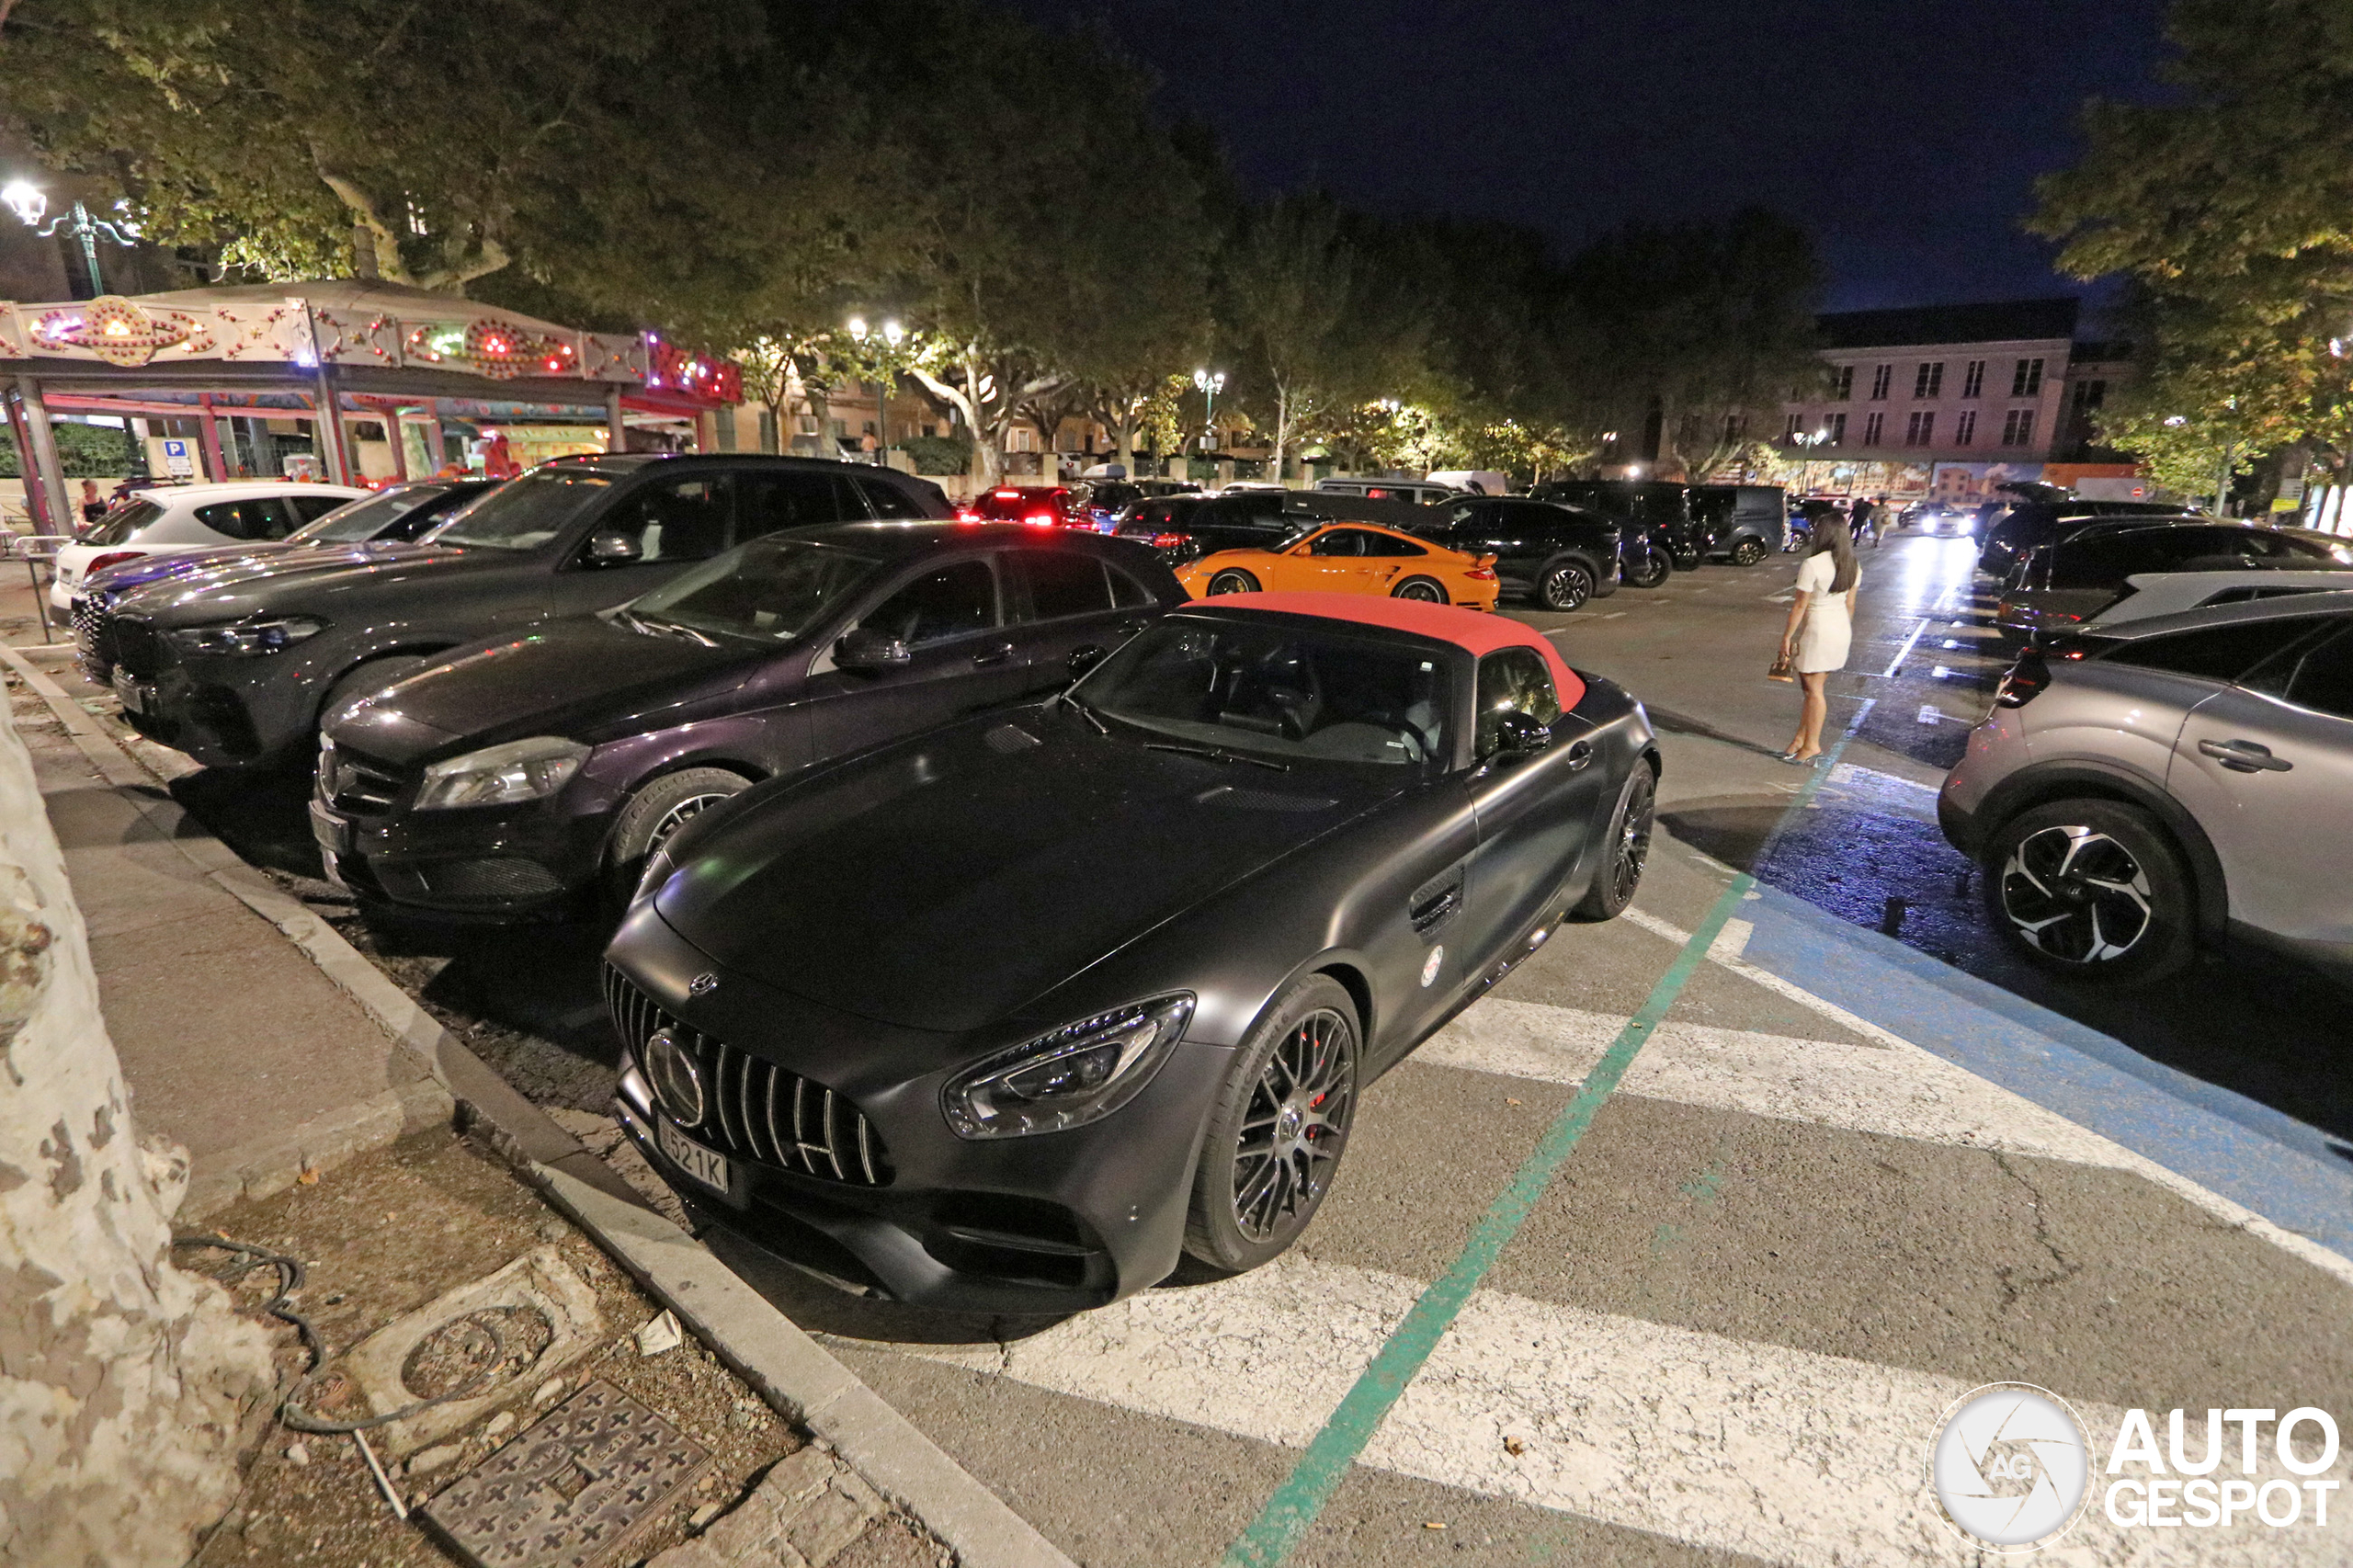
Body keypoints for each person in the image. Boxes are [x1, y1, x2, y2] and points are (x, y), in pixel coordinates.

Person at [1776, 519, 1860, 764]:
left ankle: (1812, 744)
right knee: (1811, 689)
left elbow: (1801, 605)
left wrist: (1787, 637)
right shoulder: (1852, 564)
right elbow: (1850, 604)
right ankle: (1800, 739)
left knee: (1814, 691)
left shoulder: (1812, 564)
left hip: (1818, 629)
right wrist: (1843, 630)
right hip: (1840, 627)